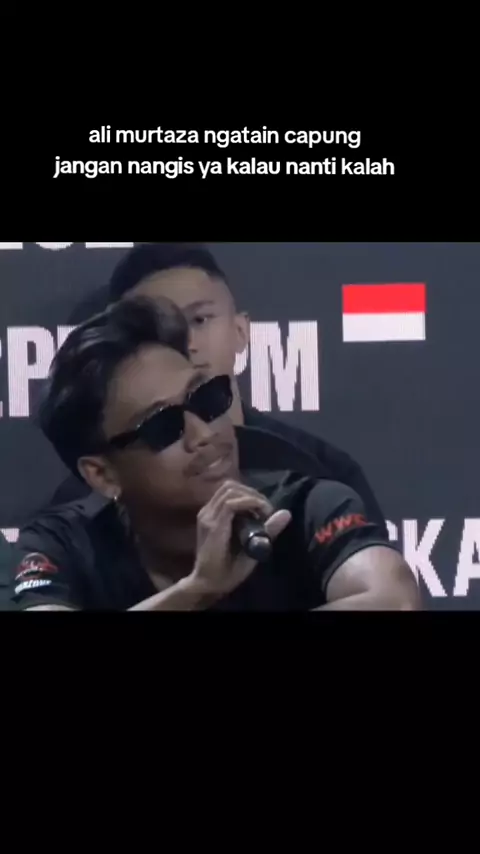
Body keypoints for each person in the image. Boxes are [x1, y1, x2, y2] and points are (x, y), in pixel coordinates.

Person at [10, 296, 419, 611]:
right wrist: (197, 591)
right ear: (102, 475)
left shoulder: (305, 508)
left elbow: (396, 602)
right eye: (162, 425)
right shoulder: (59, 545)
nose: (204, 433)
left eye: (206, 398)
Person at [49, 243, 388, 537]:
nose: (186, 343)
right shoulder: (81, 504)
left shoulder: (323, 472)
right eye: (158, 331)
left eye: (199, 320)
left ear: (240, 331)